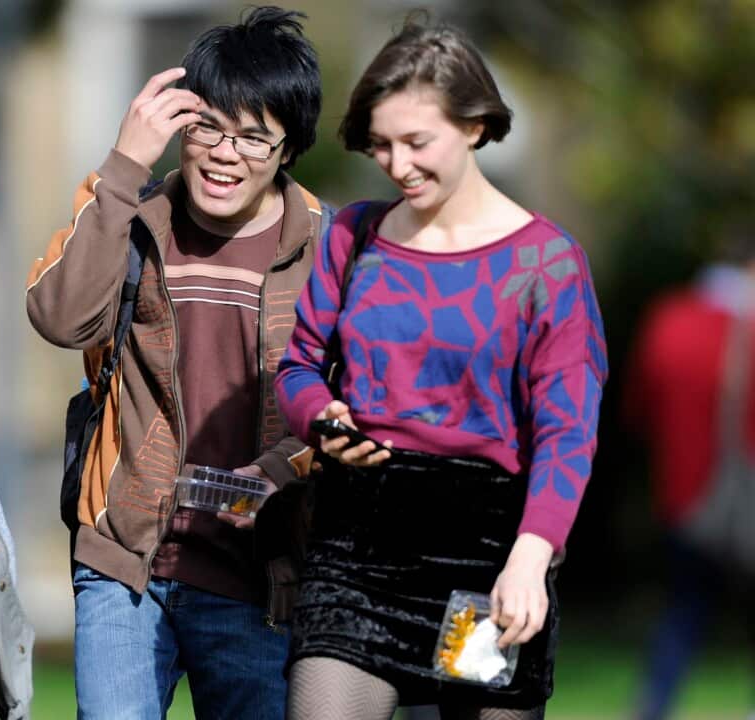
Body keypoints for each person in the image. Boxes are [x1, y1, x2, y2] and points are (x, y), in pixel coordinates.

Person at [274, 16, 607, 719]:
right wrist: (319, 417)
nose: (397, 164)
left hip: (489, 556)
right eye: (381, 144)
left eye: (417, 142)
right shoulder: (352, 237)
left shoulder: (547, 264)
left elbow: (568, 431)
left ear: (475, 126)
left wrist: (531, 556)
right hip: (358, 549)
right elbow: (298, 366)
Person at [25, 7, 326, 718]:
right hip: (125, 560)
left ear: (287, 148)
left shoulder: (326, 249)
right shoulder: (131, 217)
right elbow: (60, 318)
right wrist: (124, 165)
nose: (224, 154)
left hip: (259, 576)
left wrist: (282, 469)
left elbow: (350, 404)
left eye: (252, 137)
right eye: (206, 128)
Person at [624, 228, 755, 720]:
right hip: (742, 495)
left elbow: (637, 410)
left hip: (682, 498)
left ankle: (652, 709)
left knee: (683, 611)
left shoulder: (670, 319)